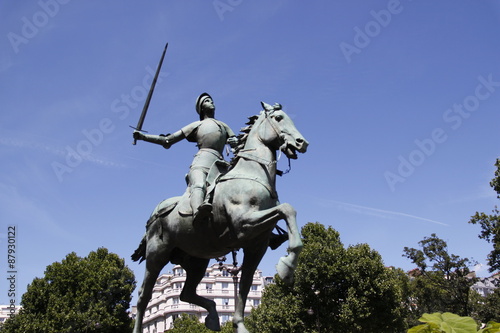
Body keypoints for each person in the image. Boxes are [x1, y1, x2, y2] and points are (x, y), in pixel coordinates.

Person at [133, 93, 238, 221]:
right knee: (199, 185)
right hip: (203, 162)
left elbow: (236, 143)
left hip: (221, 165)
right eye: (207, 101)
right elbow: (167, 140)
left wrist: (235, 142)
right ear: (201, 108)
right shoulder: (196, 125)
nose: (212, 102)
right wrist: (143, 137)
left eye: (211, 100)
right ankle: (198, 214)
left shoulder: (223, 125)